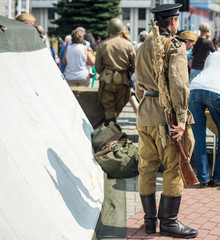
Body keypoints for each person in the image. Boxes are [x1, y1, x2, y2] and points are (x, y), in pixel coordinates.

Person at [135, 3, 197, 238]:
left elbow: (139, 84)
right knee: (173, 167)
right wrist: (180, 120)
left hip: (145, 114)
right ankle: (169, 222)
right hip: (166, 115)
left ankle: (150, 222)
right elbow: (180, 85)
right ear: (173, 21)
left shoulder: (143, 46)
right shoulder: (174, 44)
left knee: (147, 168)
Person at [95, 18, 135, 126]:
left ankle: (110, 132)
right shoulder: (128, 45)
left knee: (109, 107)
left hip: (106, 81)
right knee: (118, 107)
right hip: (123, 81)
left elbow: (98, 68)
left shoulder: (103, 45)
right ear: (122, 30)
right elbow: (135, 65)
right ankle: (113, 131)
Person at [189, 51, 220, 188]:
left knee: (198, 136)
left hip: (195, 88)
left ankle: (203, 178)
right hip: (215, 91)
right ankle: (218, 177)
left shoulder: (212, 55)